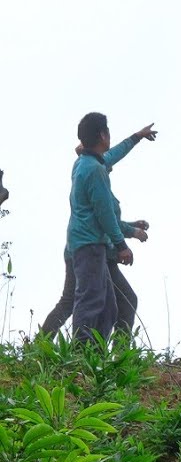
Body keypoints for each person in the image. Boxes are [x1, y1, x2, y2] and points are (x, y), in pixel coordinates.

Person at [43, 125, 157, 339]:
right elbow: (103, 216)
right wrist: (131, 234)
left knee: (78, 302)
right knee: (103, 302)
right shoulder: (94, 171)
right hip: (92, 249)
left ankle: (42, 345)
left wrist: (137, 137)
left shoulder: (90, 165)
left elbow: (116, 153)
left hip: (81, 247)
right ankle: (89, 350)